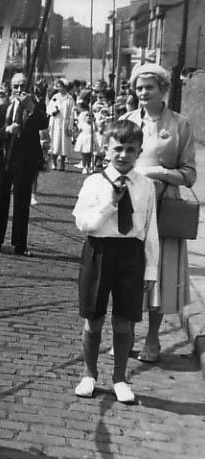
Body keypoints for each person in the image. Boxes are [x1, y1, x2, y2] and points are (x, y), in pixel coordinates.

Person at [72, 120, 159, 403]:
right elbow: (84, 224)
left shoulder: (146, 186)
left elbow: (150, 230)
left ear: (139, 152)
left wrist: (151, 269)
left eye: (130, 150)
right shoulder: (94, 182)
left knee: (124, 323)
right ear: (106, 148)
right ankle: (89, 374)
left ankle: (120, 378)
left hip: (131, 256)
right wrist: (109, 204)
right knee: (93, 320)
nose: (123, 155)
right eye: (117, 148)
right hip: (99, 253)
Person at [119, 63, 197, 363]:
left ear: (163, 89)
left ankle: (152, 339)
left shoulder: (180, 124)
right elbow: (112, 158)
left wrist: (160, 172)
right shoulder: (127, 120)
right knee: (127, 273)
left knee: (159, 276)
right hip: (130, 207)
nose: (142, 93)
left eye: (149, 87)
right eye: (138, 87)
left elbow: (190, 174)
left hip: (163, 208)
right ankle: (124, 335)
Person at [0, 73, 48, 257]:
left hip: (24, 162)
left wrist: (31, 107)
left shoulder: (35, 105)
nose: (19, 90)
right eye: (16, 86)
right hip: (4, 160)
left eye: (23, 86)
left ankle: (20, 244)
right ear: (11, 88)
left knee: (21, 203)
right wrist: (6, 130)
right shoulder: (4, 107)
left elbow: (43, 123)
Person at [46, 78, 75, 171]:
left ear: (65, 87)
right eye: (57, 86)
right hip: (55, 122)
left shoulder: (70, 98)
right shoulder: (55, 97)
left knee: (63, 145)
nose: (58, 88)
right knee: (55, 143)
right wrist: (53, 111)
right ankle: (54, 162)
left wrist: (70, 126)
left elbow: (72, 113)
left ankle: (62, 163)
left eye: (60, 86)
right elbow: (49, 108)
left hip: (65, 123)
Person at [74, 100, 96, 174]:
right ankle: (84, 167)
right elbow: (79, 127)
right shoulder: (83, 124)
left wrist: (94, 122)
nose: (89, 118)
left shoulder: (93, 125)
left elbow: (96, 130)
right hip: (84, 139)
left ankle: (89, 167)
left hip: (90, 140)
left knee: (90, 155)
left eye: (90, 117)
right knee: (84, 155)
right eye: (87, 117)